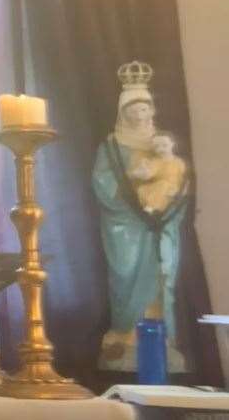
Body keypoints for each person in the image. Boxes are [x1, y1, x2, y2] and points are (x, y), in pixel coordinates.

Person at [93, 62, 188, 372]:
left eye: (144, 108)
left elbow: (180, 181)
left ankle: (160, 338)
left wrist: (168, 201)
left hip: (159, 224)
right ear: (123, 112)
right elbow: (102, 183)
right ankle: (124, 335)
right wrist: (132, 192)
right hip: (126, 226)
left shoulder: (162, 144)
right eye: (133, 108)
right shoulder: (111, 146)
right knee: (126, 275)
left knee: (162, 278)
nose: (139, 114)